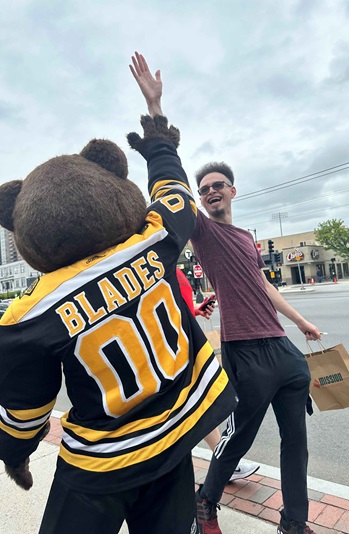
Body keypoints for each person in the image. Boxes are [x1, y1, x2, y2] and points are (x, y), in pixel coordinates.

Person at [0, 53, 238, 534]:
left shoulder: (31, 313)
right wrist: (155, 125)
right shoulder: (151, 244)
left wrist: (16, 455)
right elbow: (174, 192)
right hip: (175, 435)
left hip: (102, 461)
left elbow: (25, 409)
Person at [190, 162, 321, 534]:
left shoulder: (247, 237)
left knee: (296, 441)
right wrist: (156, 113)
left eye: (218, 185)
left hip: (282, 348)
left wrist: (300, 321)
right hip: (243, 350)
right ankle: (205, 504)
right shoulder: (203, 230)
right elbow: (169, 189)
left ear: (233, 190)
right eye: (204, 189)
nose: (211, 191)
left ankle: (295, 522)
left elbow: (264, 286)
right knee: (237, 438)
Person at [177, 267, 260, 481]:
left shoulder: (168, 261)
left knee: (200, 404)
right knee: (199, 404)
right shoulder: (156, 259)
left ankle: (223, 462)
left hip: (185, 345)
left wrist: (195, 309)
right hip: (176, 350)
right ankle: (223, 463)